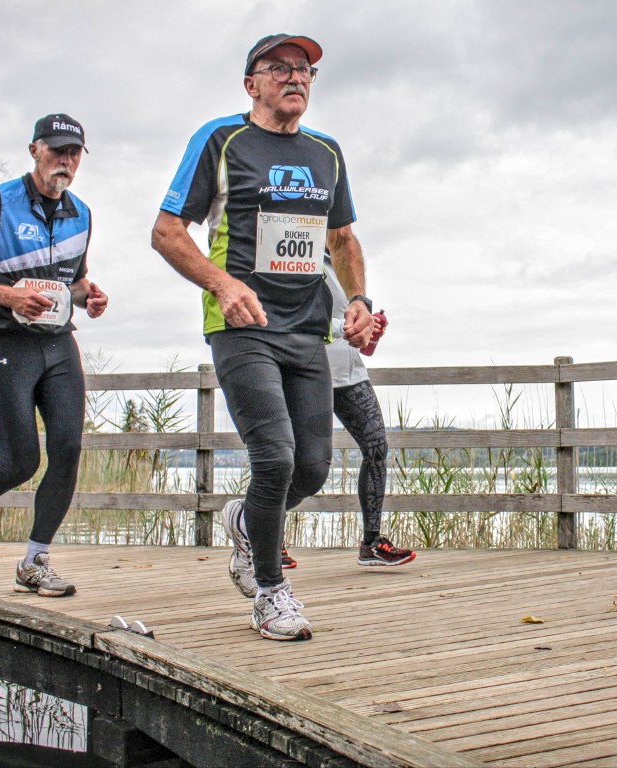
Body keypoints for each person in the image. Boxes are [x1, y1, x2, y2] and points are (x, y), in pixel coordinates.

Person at [152, 34, 374, 641]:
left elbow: (342, 239)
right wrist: (222, 285)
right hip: (241, 325)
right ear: (251, 84)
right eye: (279, 68)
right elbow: (168, 231)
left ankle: (247, 524)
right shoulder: (221, 141)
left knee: (311, 468)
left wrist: (357, 302)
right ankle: (272, 595)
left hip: (307, 331)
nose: (295, 77)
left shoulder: (326, 152)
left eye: (305, 69)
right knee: (272, 456)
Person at [0, 113, 108, 597]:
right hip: (3, 341)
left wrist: (89, 295)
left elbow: (72, 282)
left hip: (56, 341)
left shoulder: (83, 213)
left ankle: (35, 560)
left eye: (75, 153)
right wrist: (9, 297)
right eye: (57, 150)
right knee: (20, 460)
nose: (66, 161)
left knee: (69, 449)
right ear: (35, 150)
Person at [283, 256, 416, 570]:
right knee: (301, 462)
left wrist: (370, 331)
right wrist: (346, 328)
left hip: (349, 373)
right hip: (306, 372)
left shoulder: (341, 269)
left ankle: (371, 544)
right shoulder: (294, 257)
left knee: (377, 450)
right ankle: (263, 532)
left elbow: (363, 346)